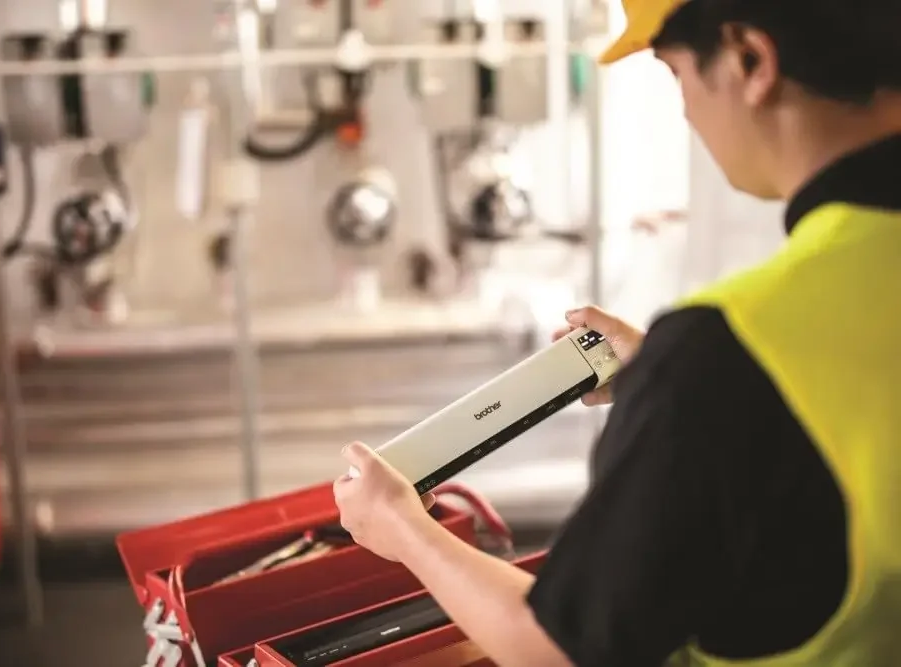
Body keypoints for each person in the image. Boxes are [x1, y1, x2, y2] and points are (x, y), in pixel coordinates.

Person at [333, 0, 901, 664]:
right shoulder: (733, 363)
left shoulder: (723, 352)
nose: (686, 112)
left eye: (676, 74)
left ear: (751, 60)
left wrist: (401, 527)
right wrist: (678, 382)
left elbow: (563, 650)